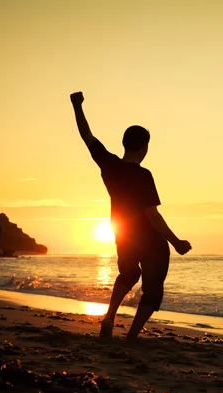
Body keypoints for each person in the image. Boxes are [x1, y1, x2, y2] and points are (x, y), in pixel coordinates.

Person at [70, 91, 191, 342]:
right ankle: (133, 335)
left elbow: (87, 136)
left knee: (128, 274)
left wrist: (77, 106)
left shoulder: (110, 165)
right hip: (150, 240)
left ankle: (109, 317)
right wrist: (176, 241)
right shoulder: (143, 175)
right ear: (144, 147)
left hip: (123, 234)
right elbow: (152, 215)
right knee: (153, 290)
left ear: (125, 143)